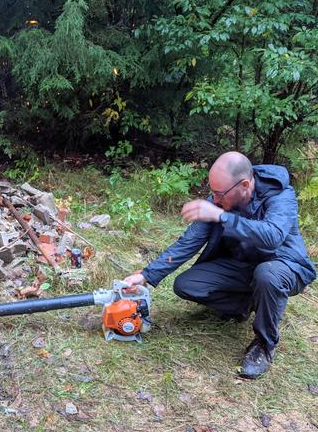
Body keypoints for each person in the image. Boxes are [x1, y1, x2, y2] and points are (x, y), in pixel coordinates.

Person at [124, 151, 316, 379]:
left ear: (244, 185)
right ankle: (246, 305)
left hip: (283, 265)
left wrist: (222, 217)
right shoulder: (219, 201)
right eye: (212, 193)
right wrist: (146, 275)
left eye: (219, 194)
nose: (214, 200)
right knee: (187, 284)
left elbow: (272, 236)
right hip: (243, 266)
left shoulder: (280, 195)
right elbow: (189, 242)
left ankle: (264, 346)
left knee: (267, 275)